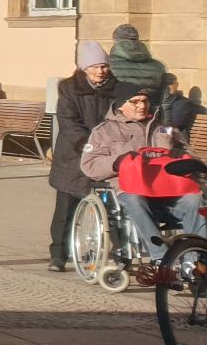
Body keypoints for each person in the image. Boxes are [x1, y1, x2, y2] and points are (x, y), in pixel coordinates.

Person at [79, 87, 204, 248]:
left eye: (145, 101)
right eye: (135, 102)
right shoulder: (104, 132)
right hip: (129, 189)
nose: (142, 106)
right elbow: (89, 164)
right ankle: (161, 255)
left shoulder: (163, 128)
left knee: (194, 199)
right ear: (121, 105)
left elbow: (189, 154)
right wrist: (117, 162)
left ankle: (198, 258)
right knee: (135, 199)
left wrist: (180, 158)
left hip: (167, 189)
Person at [50, 42, 118, 271]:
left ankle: (110, 252)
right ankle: (58, 255)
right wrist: (88, 145)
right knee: (65, 209)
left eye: (104, 66)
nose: (101, 71)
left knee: (111, 208)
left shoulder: (116, 88)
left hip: (107, 155)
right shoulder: (69, 89)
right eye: (95, 66)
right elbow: (68, 122)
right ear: (83, 67)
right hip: (74, 155)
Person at [106, 23, 167, 107]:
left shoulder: (107, 65)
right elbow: (165, 98)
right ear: (137, 39)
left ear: (115, 41)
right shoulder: (158, 66)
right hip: (150, 113)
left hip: (120, 114)